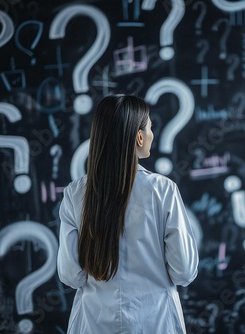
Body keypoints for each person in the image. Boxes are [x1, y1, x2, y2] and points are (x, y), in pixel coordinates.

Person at [57, 94, 199, 333]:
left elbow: (71, 275)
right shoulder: (163, 190)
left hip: (94, 324)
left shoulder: (75, 193)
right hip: (156, 324)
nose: (152, 135)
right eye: (150, 127)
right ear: (139, 136)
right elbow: (184, 271)